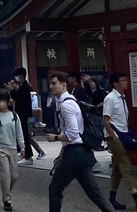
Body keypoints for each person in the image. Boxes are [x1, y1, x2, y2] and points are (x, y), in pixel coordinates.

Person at [46, 71, 114, 212]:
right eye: (50, 83)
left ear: (63, 85)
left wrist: (56, 138)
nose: (51, 86)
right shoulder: (70, 101)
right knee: (94, 193)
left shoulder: (66, 105)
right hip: (82, 152)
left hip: (75, 153)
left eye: (54, 83)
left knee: (55, 188)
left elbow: (72, 133)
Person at [103, 72, 137, 210]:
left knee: (117, 168)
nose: (126, 82)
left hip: (123, 134)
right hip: (114, 137)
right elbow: (106, 121)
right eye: (123, 80)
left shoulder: (122, 98)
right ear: (115, 83)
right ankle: (135, 195)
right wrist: (114, 136)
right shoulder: (110, 98)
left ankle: (112, 198)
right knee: (125, 164)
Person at [0, 90, 25, 212]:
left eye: (4, 101)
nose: (1, 103)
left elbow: (19, 132)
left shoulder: (14, 116)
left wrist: (22, 146)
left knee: (14, 176)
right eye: (0, 100)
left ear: (8, 102)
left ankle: (6, 191)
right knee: (5, 175)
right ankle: (7, 200)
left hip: (12, 148)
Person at [12, 67, 34, 165]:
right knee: (22, 134)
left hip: (23, 114)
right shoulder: (23, 86)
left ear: (21, 75)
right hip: (21, 114)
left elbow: (22, 100)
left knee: (25, 135)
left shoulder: (26, 87)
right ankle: (24, 154)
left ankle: (28, 156)